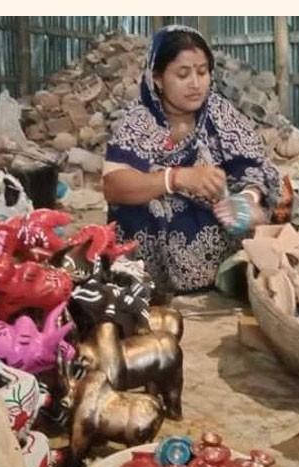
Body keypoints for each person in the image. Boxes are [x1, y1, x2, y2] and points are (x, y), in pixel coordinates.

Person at [103, 25, 281, 294]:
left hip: (215, 223)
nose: (196, 84)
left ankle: (233, 271)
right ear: (158, 78)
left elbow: (255, 166)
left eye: (202, 72)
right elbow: (113, 186)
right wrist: (176, 178)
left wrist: (248, 198)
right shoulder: (141, 120)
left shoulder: (219, 113)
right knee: (146, 205)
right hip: (155, 245)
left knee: (255, 204)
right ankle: (152, 282)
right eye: (183, 74)